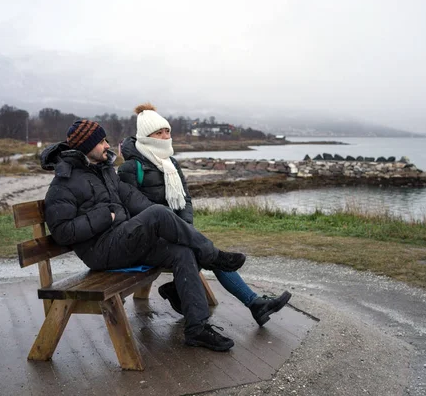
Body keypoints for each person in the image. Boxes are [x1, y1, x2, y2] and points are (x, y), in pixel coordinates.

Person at [41, 119, 247, 352]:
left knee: (182, 251)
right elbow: (62, 233)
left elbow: (132, 199)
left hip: (122, 241)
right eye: (100, 142)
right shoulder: (63, 182)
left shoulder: (103, 171)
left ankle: (197, 328)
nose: (107, 145)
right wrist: (104, 216)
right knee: (158, 214)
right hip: (101, 251)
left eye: (105, 140)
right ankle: (213, 256)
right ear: (85, 146)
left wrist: (165, 220)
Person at [117, 103, 292, 327]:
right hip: (148, 237)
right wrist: (175, 230)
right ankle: (245, 303)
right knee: (207, 251)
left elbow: (185, 199)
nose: (164, 136)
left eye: (167, 131)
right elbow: (136, 208)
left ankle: (254, 304)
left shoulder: (171, 163)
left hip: (176, 231)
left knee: (204, 248)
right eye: (158, 133)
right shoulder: (130, 168)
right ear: (146, 136)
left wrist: (185, 227)